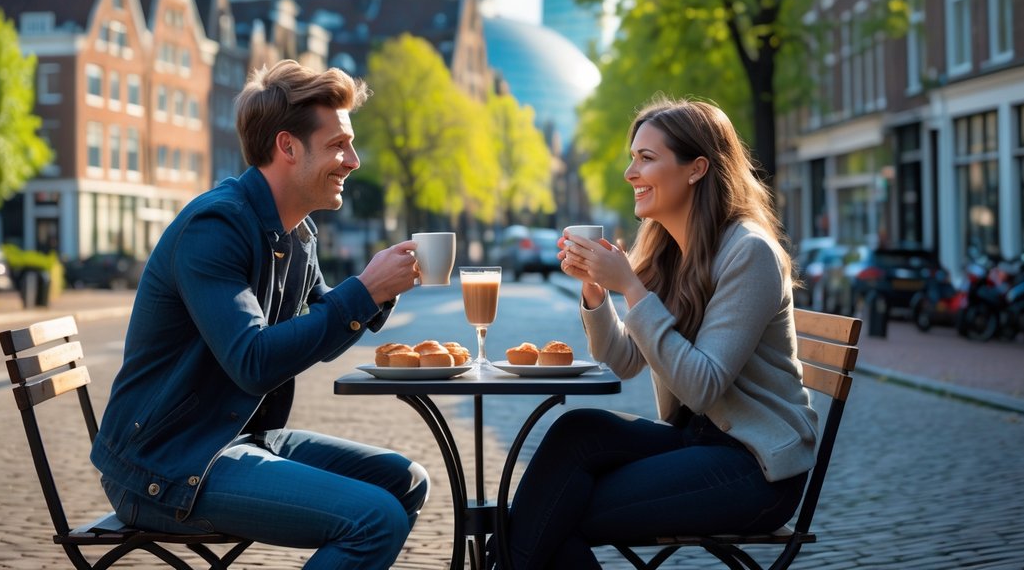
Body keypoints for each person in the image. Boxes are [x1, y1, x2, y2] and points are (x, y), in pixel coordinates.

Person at [91, 60, 429, 570]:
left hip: (236, 436)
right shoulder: (215, 226)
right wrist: (364, 288)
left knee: (404, 481)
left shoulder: (296, 233)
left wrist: (377, 292)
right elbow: (253, 362)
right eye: (339, 145)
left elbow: (319, 328)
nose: (354, 160)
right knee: (374, 519)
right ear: (287, 147)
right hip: (168, 461)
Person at [502, 97, 817, 569]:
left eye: (646, 158)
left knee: (551, 512)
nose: (630, 172)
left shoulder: (749, 253)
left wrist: (629, 284)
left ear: (696, 169)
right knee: (577, 431)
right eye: (632, 157)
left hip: (755, 468)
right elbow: (625, 360)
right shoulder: (672, 249)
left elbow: (702, 384)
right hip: (697, 441)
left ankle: (497, 560)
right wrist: (595, 290)